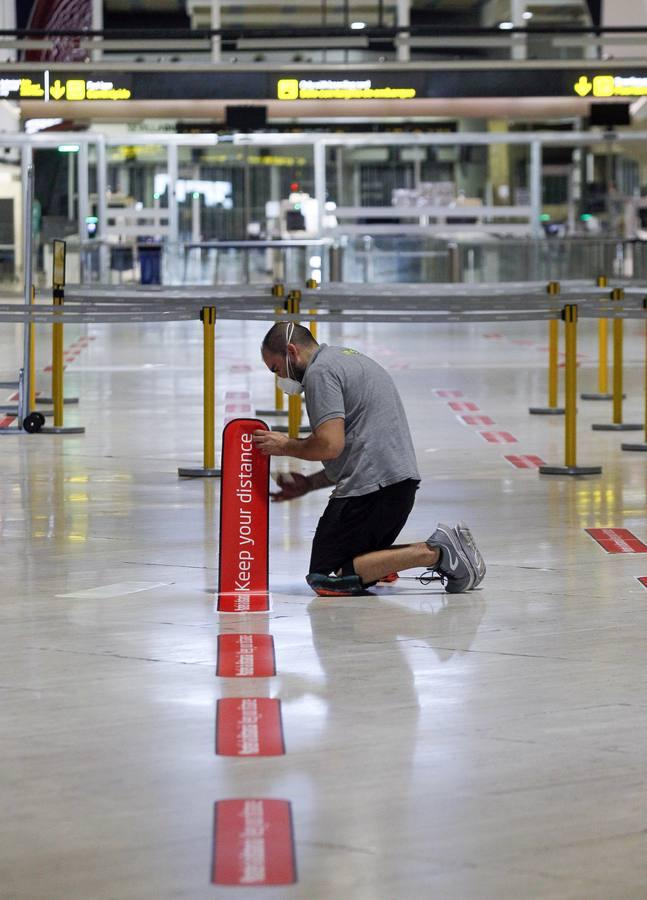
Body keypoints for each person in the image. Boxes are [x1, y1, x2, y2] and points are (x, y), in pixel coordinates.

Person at [252, 322, 485, 597]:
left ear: (291, 351)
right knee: (354, 562)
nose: (278, 379)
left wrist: (286, 445)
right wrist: (309, 484)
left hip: (374, 494)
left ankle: (436, 552)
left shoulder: (320, 373)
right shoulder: (344, 359)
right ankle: (400, 558)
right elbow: (360, 448)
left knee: (326, 577)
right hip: (395, 486)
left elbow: (329, 445)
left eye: (276, 368)